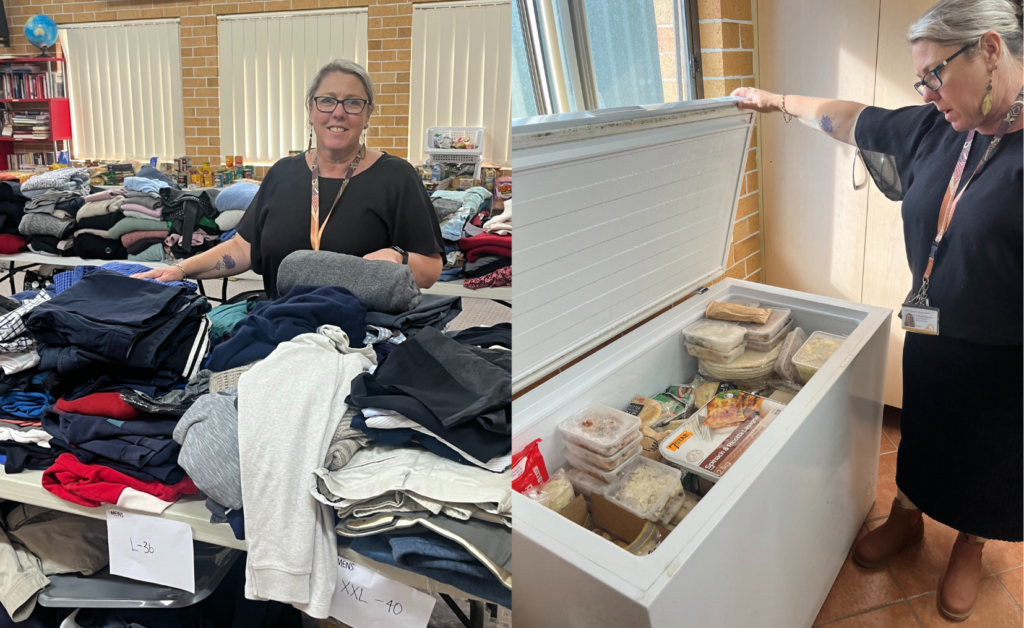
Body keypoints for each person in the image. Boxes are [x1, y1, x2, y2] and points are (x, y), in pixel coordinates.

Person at [732, 0, 1022, 621]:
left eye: (935, 74)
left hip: (1007, 352)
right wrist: (775, 100)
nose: (926, 91)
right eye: (921, 79)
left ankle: (971, 541)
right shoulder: (938, 128)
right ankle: (908, 514)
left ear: (990, 51)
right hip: (931, 327)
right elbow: (853, 119)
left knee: (992, 448)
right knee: (924, 427)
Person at [134, 59, 444, 299]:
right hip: (279, 328)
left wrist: (398, 257)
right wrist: (180, 269)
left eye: (353, 102)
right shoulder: (283, 173)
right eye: (327, 101)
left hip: (362, 337)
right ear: (310, 110)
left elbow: (431, 270)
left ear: (367, 115)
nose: (338, 112)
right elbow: (243, 249)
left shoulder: (396, 177)